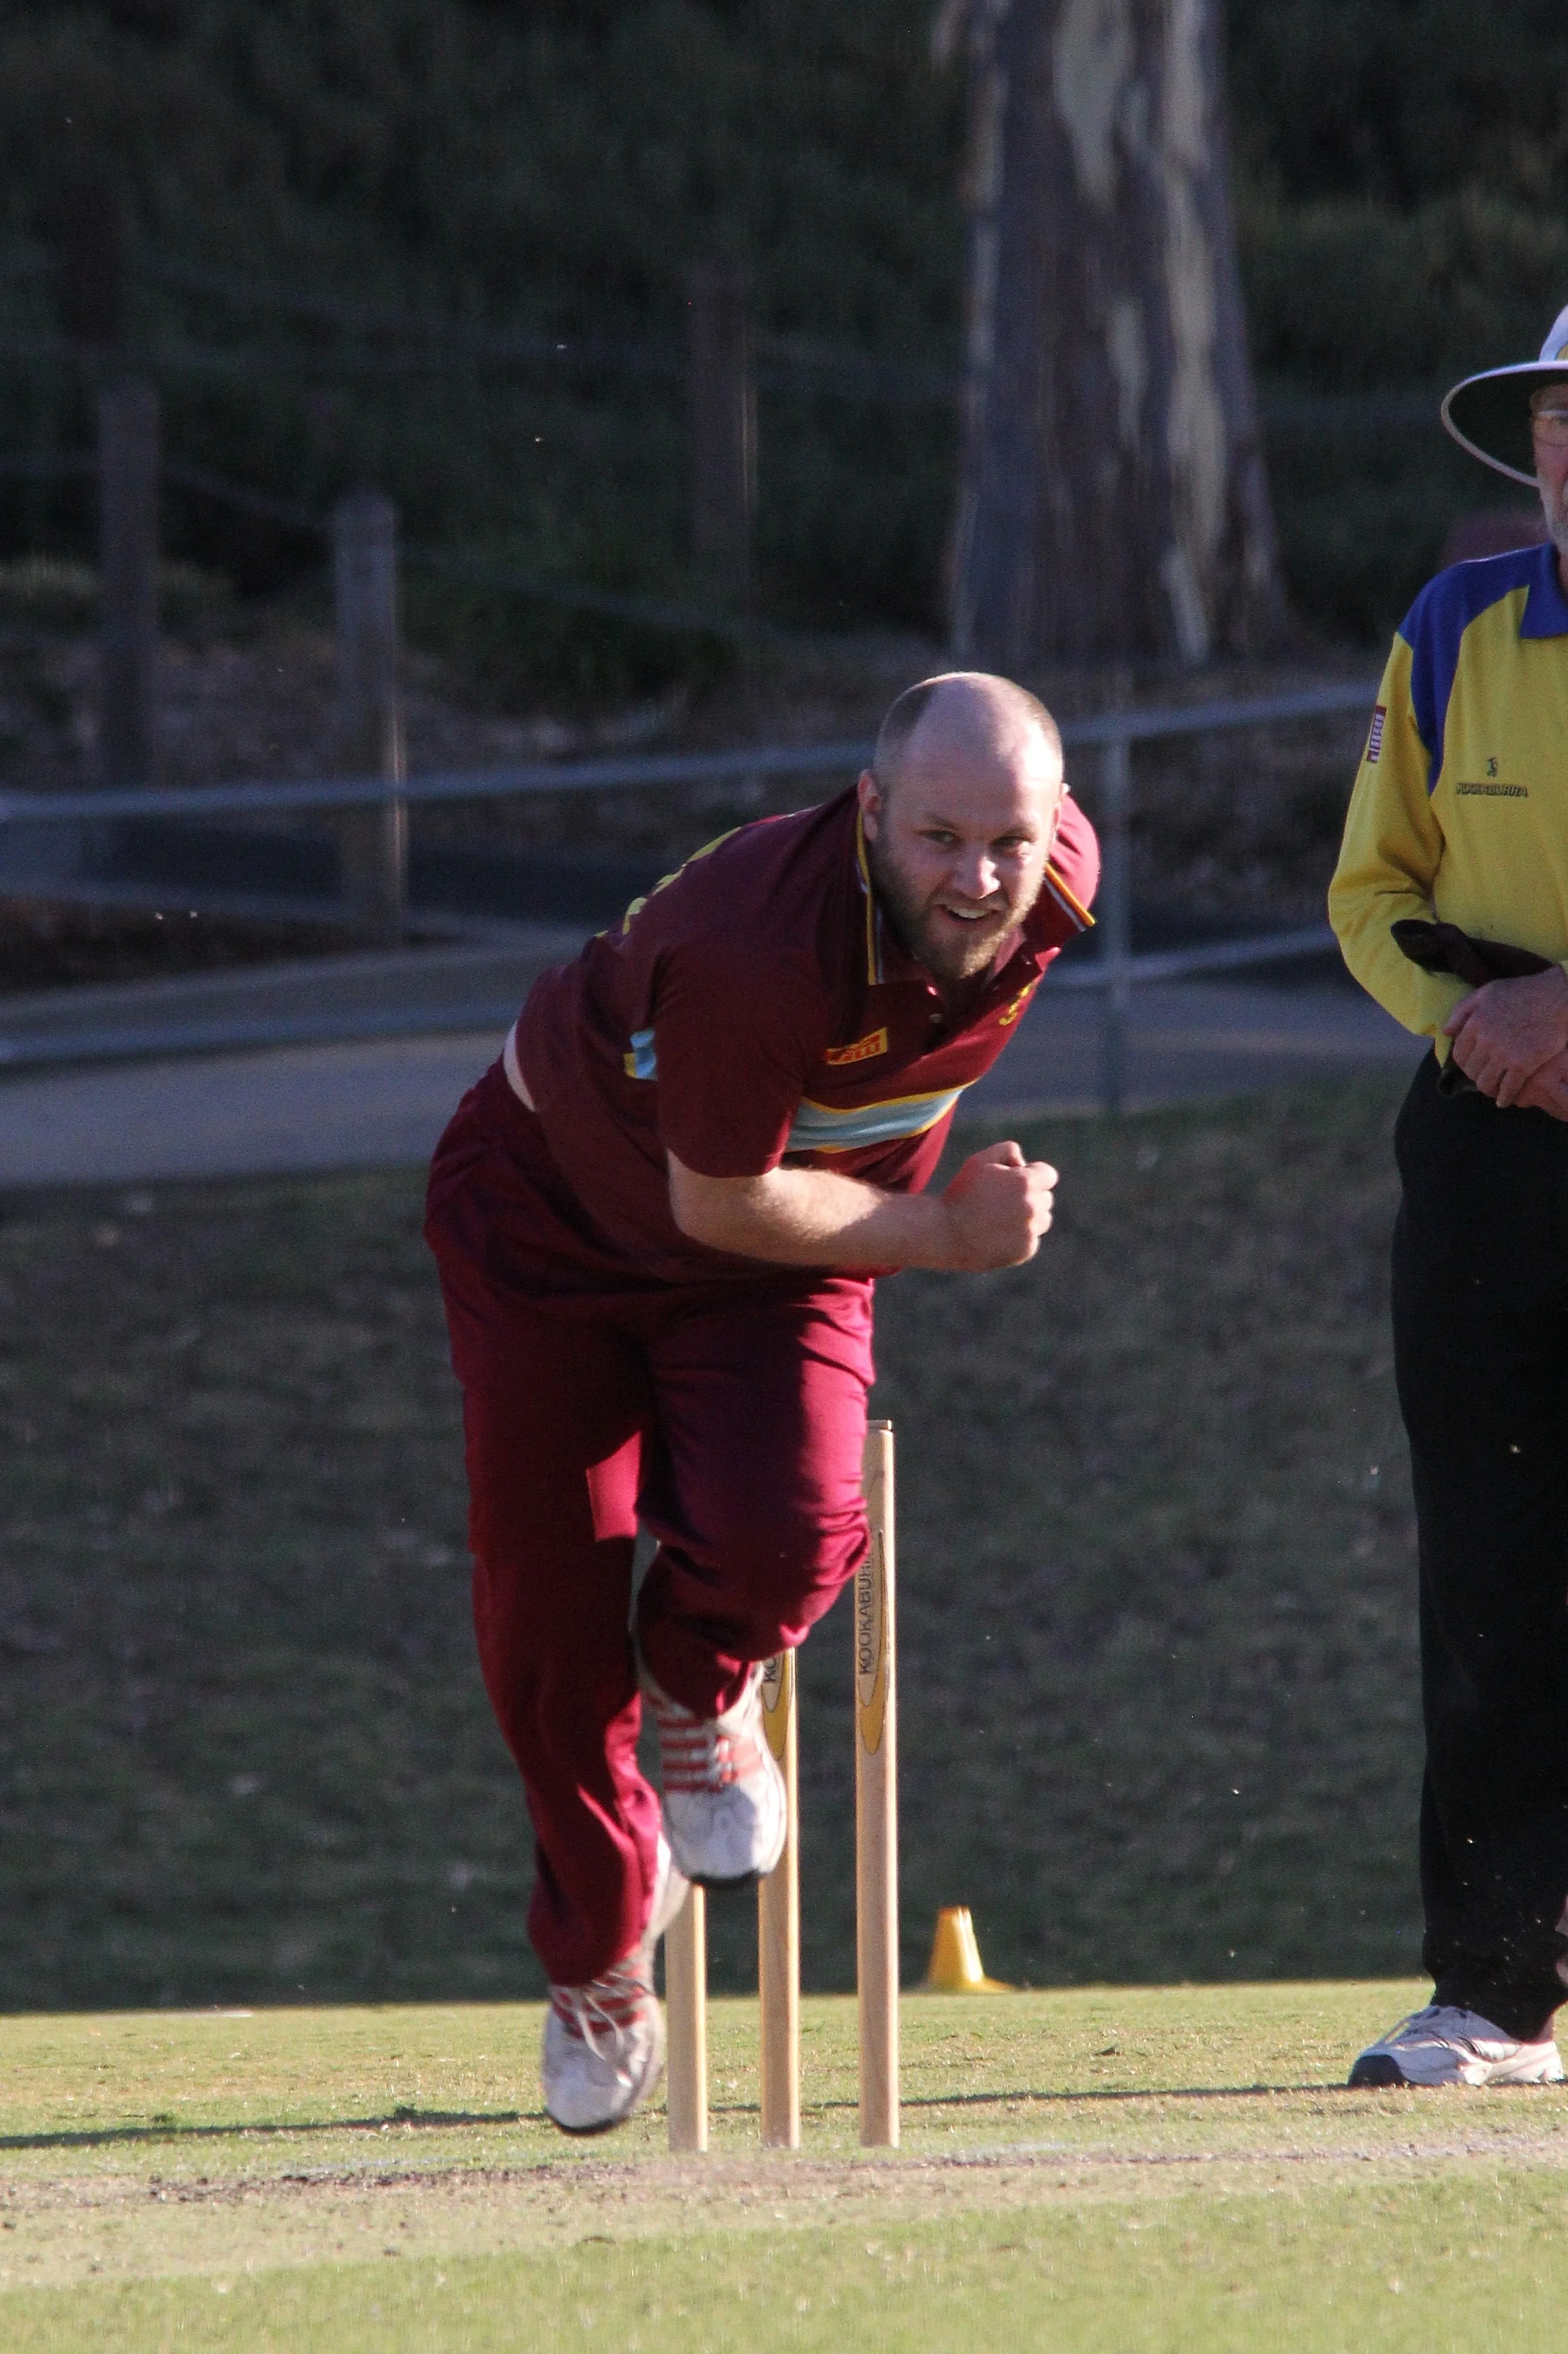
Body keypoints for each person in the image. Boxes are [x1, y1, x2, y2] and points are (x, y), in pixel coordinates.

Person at [424, 671, 1098, 2131]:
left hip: (776, 1228)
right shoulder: (754, 952)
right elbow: (719, 1198)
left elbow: (759, 1200)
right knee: (548, 1614)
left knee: (794, 1529)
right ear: (868, 814)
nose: (981, 879)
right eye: (938, 839)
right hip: (558, 1226)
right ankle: (600, 1956)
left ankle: (696, 1678)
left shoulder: (1051, 874)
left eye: (1011, 839)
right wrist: (947, 1234)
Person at [1330, 302, 1568, 2088]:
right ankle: (1489, 1990)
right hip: (1482, 1133)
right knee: (1485, 1566)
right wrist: (1475, 1028)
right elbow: (1367, 892)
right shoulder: (1448, 625)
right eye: (1554, 416)